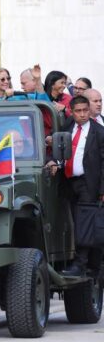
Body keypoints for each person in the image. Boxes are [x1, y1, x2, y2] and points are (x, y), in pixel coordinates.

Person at [61, 96, 104, 277]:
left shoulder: (99, 132)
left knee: (85, 224)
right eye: (78, 111)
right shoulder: (68, 127)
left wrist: (102, 189)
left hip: (89, 183)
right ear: (72, 111)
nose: (83, 114)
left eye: (85, 110)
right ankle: (84, 262)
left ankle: (81, 263)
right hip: (69, 182)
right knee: (72, 222)